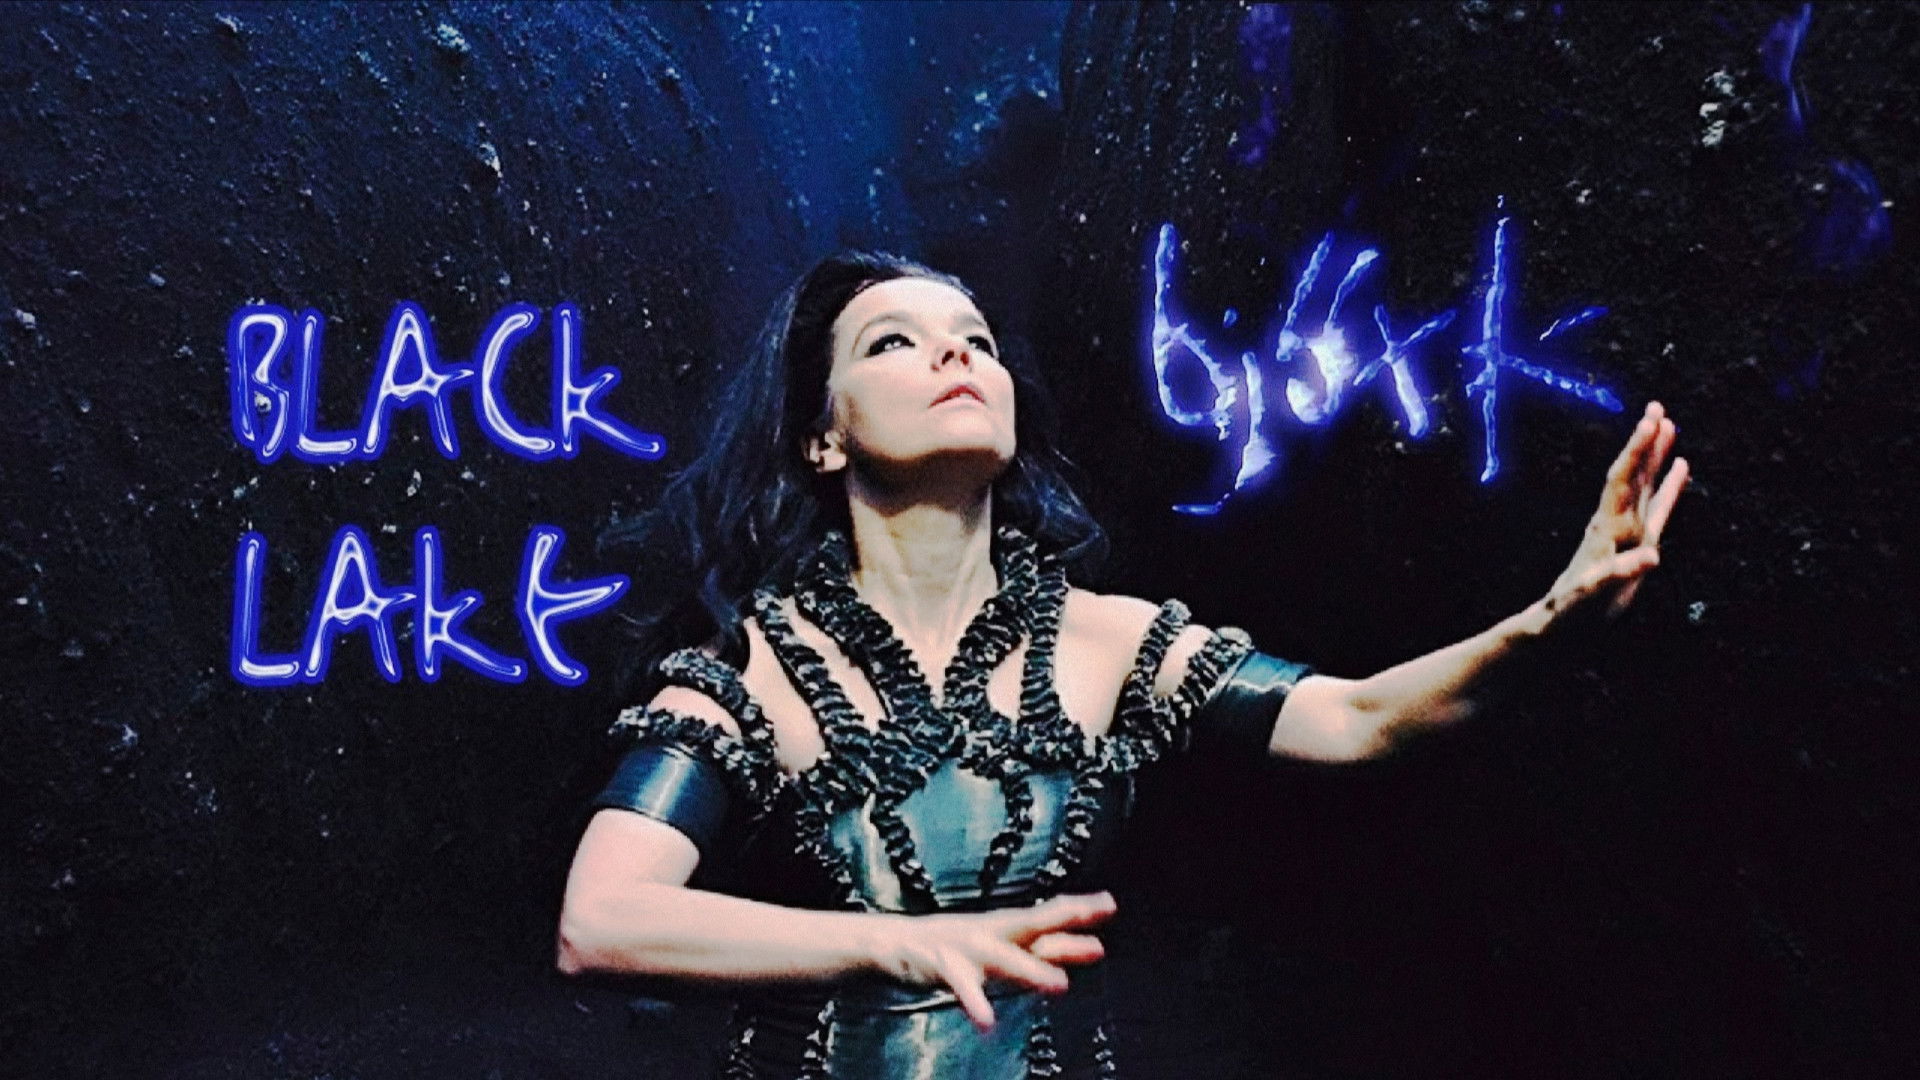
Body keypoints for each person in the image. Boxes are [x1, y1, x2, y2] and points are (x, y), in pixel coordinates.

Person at [555, 251, 1689, 1078]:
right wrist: (900, 943)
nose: (955, 353)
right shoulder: (754, 666)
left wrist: (1547, 619)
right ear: (823, 435)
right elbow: (600, 923)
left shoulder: (1107, 640)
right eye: (891, 342)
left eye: (977, 338)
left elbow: (1352, 720)